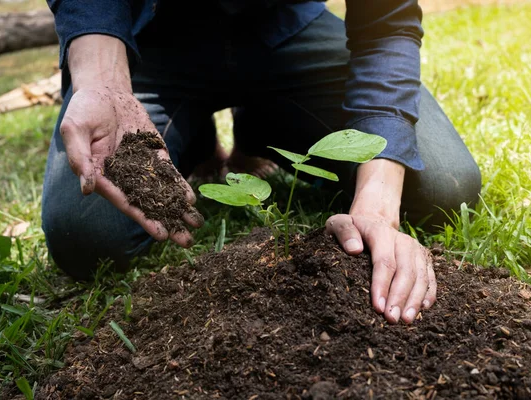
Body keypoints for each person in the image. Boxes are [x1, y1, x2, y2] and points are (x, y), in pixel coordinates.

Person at [42, 0, 481, 325]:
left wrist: (379, 206)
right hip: (151, 39)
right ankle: (192, 140)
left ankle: (262, 126)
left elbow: (387, 23)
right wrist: (103, 81)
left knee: (443, 186)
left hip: (286, 31)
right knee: (85, 232)